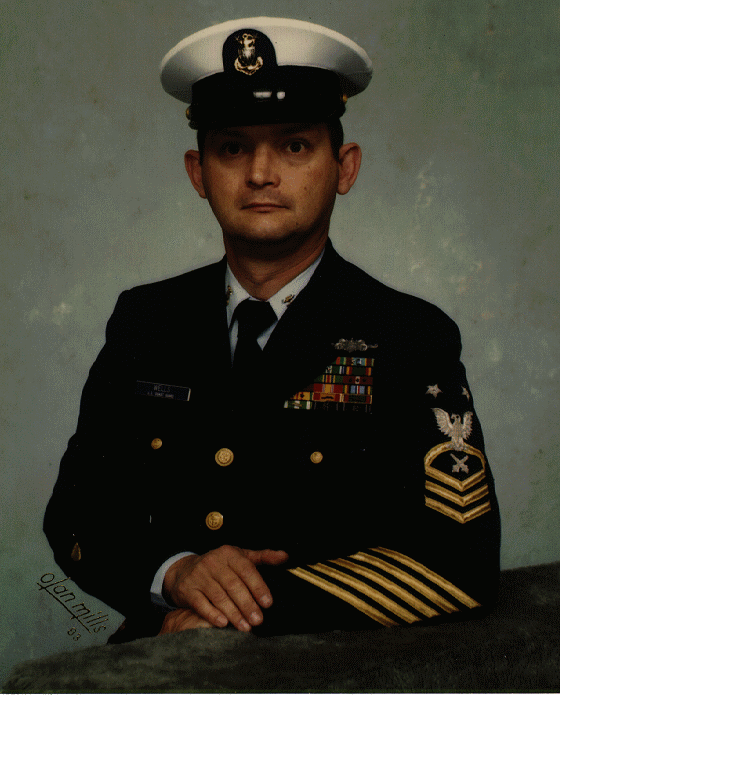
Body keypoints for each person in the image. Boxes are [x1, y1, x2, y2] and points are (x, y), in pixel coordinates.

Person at [43, 17, 500, 642]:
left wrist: (240, 614)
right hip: (164, 654)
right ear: (197, 172)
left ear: (344, 167)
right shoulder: (146, 321)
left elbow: (459, 561)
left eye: (295, 146)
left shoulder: (409, 336)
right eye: (232, 148)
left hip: (329, 665)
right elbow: (76, 513)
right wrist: (175, 574)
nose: (260, 173)